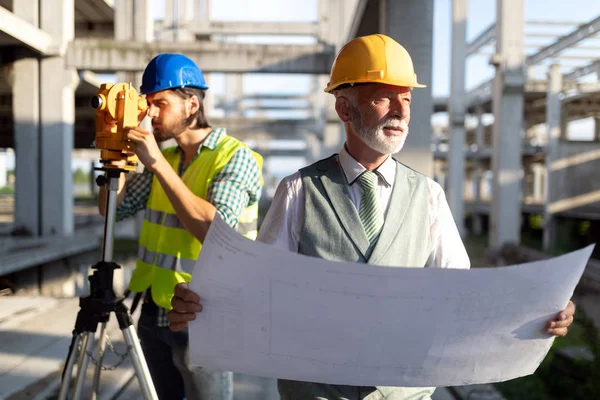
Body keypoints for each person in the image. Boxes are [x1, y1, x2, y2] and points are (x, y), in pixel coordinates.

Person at [165, 34, 576, 400]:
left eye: (407, 98)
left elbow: (460, 297)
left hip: (404, 392)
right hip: (317, 392)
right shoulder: (300, 190)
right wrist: (204, 307)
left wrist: (536, 313)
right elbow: (260, 290)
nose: (401, 110)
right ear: (345, 108)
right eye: (384, 97)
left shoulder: (429, 196)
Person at [97, 53, 263, 400]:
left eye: (160, 103)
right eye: (147, 104)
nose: (151, 113)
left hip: (206, 313)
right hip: (154, 309)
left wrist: (155, 162)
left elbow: (215, 230)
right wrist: (117, 155)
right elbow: (112, 209)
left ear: (191, 104)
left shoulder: (235, 157)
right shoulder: (168, 159)